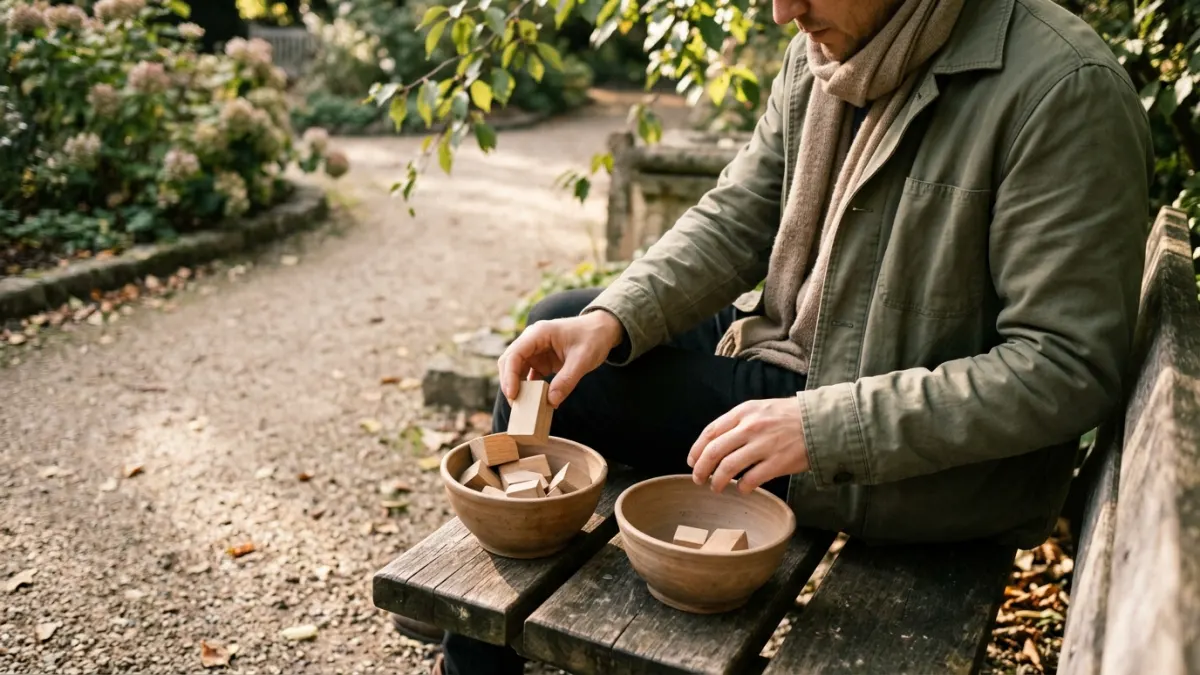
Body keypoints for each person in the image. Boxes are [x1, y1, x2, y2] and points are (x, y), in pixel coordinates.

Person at [422, 0, 1154, 672]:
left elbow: (1065, 366)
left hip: (904, 453)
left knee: (587, 395)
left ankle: (477, 660)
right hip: (806, 340)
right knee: (565, 330)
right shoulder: (830, 45)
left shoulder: (1064, 90)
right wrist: (611, 317)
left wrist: (824, 425)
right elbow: (739, 214)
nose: (783, 11)